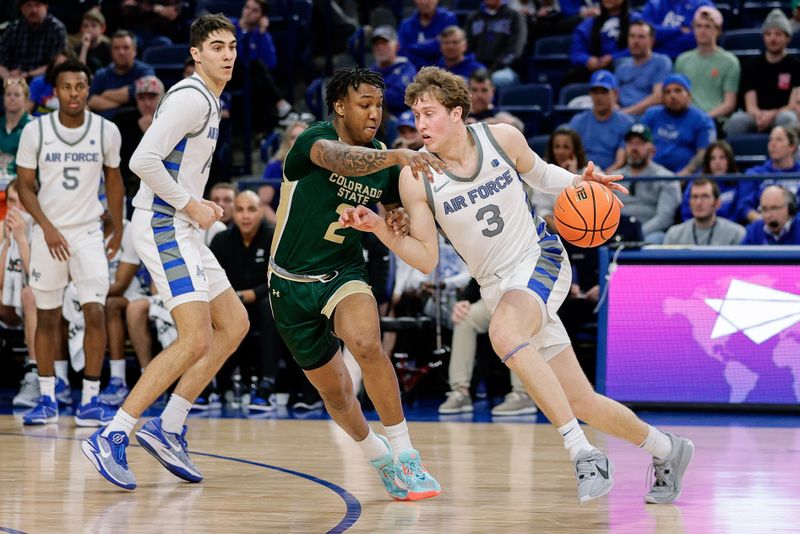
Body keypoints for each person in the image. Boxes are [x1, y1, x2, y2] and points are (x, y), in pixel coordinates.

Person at [340, 66, 693, 505]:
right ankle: (668, 450)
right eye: (415, 116)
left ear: (456, 113)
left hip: (539, 259)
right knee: (580, 399)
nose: (420, 124)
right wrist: (379, 228)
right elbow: (427, 258)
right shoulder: (415, 176)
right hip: (496, 285)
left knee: (505, 333)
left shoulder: (500, 138)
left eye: (429, 113)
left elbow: (541, 174)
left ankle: (582, 453)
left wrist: (581, 183)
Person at [81, 14, 250, 491]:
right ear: (196, 54)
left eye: (232, 46)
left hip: (184, 226)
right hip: (162, 224)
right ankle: (113, 435)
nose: (228, 54)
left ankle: (169, 425)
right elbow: (142, 160)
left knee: (234, 324)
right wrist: (190, 203)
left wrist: (195, 205)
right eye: (217, 47)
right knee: (194, 338)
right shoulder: (191, 96)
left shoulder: (210, 101)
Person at [269, 66, 444, 501]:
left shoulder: (382, 157)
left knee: (366, 343)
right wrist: (398, 156)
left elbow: (392, 207)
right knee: (338, 394)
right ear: (340, 106)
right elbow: (342, 160)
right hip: (288, 283)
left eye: (380, 105)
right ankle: (378, 455)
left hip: (344, 272)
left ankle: (407, 455)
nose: (374, 113)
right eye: (365, 104)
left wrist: (397, 214)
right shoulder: (312, 141)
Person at [15, 58, 124, 426]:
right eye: (66, 87)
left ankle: (90, 400)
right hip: (49, 232)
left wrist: (119, 228)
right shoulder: (36, 131)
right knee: (46, 316)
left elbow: (114, 181)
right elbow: (23, 187)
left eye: (79, 86)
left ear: (88, 88)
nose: (73, 93)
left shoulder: (106, 130)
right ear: (55, 91)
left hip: (88, 232)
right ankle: (47, 398)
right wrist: (45, 226)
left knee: (96, 310)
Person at [210, 190, 280, 410]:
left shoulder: (273, 237)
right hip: (230, 304)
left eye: (251, 209)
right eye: (240, 210)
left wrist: (254, 293)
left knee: (268, 306)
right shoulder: (221, 240)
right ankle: (214, 385)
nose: (245, 215)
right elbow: (210, 277)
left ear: (261, 211)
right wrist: (234, 297)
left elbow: (280, 278)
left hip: (264, 305)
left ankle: (267, 386)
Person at [725, 9, 800, 136]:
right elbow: (750, 104)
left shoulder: (796, 66)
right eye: (768, 34)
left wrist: (772, 114)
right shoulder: (751, 65)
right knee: (736, 121)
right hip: (757, 115)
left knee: (788, 118)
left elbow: (793, 104)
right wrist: (759, 115)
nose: (773, 39)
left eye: (778, 34)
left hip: (781, 114)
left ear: (788, 38)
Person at [1, 180, 40, 408]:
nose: (16, 209)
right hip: (12, 307)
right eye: (12, 202)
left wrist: (22, 240)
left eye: (22, 202)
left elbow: (37, 278)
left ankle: (34, 373)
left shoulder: (44, 230)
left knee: (29, 294)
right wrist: (8, 241)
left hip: (46, 306)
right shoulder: (3, 228)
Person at [616, 123, 681, 243]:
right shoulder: (614, 178)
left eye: (640, 143)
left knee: (657, 239)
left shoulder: (666, 178)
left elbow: (664, 218)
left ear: (652, 148)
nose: (634, 148)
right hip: (617, 233)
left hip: (649, 233)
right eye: (631, 143)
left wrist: (636, 233)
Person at [674, 7, 739, 124]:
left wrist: (704, 118)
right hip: (685, 119)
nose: (702, 31)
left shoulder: (730, 62)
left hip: (715, 120)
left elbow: (729, 104)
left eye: (708, 26)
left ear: (718, 31)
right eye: (698, 26)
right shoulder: (682, 60)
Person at [641, 73, 716, 175]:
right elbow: (638, 143)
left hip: (686, 177)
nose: (672, 95)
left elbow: (704, 152)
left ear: (688, 95)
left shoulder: (702, 120)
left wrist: (686, 173)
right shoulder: (651, 115)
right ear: (663, 97)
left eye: (678, 90)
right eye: (667, 92)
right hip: (650, 175)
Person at [113, 75, 166, 204]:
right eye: (142, 98)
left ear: (162, 98)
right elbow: (123, 161)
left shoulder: (172, 120)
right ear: (136, 100)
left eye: (152, 97)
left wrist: (149, 133)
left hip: (164, 183)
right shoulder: (122, 121)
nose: (147, 103)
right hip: (130, 182)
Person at [567, 70, 633, 172]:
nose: (599, 97)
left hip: (611, 175)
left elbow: (620, 162)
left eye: (604, 92)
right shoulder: (578, 120)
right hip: (581, 173)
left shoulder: (626, 123)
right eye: (595, 92)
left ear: (615, 93)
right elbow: (570, 154)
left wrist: (602, 178)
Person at [734, 125, 800, 223]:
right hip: (764, 228)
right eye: (770, 140)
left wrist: (791, 225)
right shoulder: (754, 173)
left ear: (792, 147)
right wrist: (766, 222)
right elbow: (743, 207)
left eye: (779, 140)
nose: (772, 144)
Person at [88, 30, 155, 118]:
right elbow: (91, 101)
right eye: (116, 48)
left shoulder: (145, 71)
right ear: (111, 52)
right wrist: (128, 102)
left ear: (134, 51)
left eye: (126, 47)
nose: (121, 52)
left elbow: (146, 98)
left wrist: (106, 94)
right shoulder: (101, 74)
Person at [615, 20, 672, 117]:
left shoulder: (661, 62)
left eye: (641, 37)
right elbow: (612, 94)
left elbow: (658, 97)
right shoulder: (621, 64)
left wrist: (625, 113)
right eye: (632, 36)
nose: (635, 41)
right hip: (620, 116)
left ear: (651, 41)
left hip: (645, 117)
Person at [663, 178, 746, 245]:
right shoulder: (674, 235)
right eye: (695, 197)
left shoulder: (736, 234)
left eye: (705, 196)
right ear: (689, 202)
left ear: (717, 203)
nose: (698, 203)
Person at [0, 0, 67, 82]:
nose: (33, 10)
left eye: (37, 5)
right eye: (29, 6)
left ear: (46, 7)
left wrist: (28, 74)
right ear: (22, 8)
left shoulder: (56, 29)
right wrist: (7, 77)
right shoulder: (13, 29)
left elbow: (56, 63)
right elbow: (1, 60)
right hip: (11, 80)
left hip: (42, 79)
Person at [465, 1, 526, 87]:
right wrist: (477, 68)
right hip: (477, 67)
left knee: (494, 80)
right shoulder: (473, 18)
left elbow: (515, 50)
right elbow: (467, 48)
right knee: (462, 80)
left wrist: (492, 70)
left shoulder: (515, 16)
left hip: (506, 68)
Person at [261, 120, 310, 225]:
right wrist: (280, 226)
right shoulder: (274, 167)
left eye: (301, 136)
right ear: (287, 141)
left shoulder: (319, 167)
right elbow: (263, 204)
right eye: (292, 137)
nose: (297, 140)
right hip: (281, 225)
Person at [679, 140, 740, 222]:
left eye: (722, 157)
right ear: (708, 162)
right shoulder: (696, 181)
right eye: (712, 158)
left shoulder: (739, 182)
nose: (717, 162)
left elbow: (739, 213)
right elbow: (686, 212)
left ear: (729, 160)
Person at [369, 25, 417, 119]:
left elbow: (399, 98)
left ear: (397, 46)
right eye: (376, 44)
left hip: (403, 121)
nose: (380, 47)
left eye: (384, 43)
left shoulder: (406, 68)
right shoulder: (371, 71)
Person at [398, 0, 458, 70]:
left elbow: (446, 47)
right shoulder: (405, 25)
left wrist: (413, 47)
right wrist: (433, 43)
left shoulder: (448, 19)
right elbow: (402, 52)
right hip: (413, 72)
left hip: (443, 71)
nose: (424, 2)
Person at [1, 78, 33, 181]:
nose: (12, 98)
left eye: (17, 95)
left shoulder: (34, 127)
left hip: (22, 186)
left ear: (26, 99)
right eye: (8, 94)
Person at [74, 8, 111, 74]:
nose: (89, 29)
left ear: (102, 28)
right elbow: (79, 72)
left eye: (93, 26)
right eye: (85, 26)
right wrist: (84, 48)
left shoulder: (109, 47)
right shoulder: (78, 48)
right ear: (81, 29)